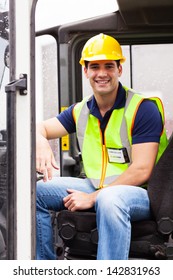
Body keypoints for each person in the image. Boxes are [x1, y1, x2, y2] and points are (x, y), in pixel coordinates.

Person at [36, 33, 168, 260]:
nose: (102, 73)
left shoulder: (142, 109)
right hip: (95, 186)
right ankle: (43, 267)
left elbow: (142, 170)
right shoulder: (81, 110)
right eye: (95, 66)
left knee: (109, 199)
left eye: (109, 66)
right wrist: (40, 141)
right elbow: (40, 127)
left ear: (119, 69)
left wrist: (94, 197)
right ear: (86, 71)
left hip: (141, 193)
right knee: (36, 192)